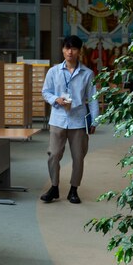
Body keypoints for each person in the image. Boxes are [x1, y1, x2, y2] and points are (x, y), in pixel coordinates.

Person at [41, 35, 99, 204]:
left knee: (78, 157)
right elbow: (46, 92)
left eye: (73, 48)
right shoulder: (53, 71)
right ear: (63, 49)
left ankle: (74, 190)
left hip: (78, 121)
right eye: (67, 48)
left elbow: (93, 98)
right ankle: (54, 187)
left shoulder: (87, 74)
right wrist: (55, 99)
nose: (70, 51)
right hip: (58, 119)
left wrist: (94, 121)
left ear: (79, 51)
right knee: (53, 154)